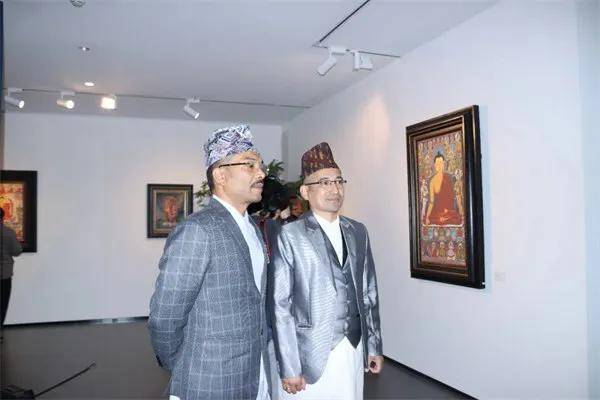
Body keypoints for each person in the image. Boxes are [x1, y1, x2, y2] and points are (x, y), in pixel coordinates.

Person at [148, 124, 273, 400]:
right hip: (208, 381)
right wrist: (182, 363)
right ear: (220, 175)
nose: (261, 173)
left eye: (261, 165)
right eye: (250, 165)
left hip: (255, 375)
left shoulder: (253, 228)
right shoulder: (198, 230)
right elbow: (165, 315)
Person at [271, 142, 383, 400]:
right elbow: (280, 306)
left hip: (353, 347)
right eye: (324, 182)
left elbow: (369, 293)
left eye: (339, 181)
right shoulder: (290, 235)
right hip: (310, 355)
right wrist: (289, 365)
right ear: (305, 191)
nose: (335, 189)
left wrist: (374, 346)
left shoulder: (358, 231)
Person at [424, 152, 463, 226]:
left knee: (455, 218)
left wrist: (461, 212)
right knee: (436, 219)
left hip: (449, 213)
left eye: (441, 163)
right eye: (437, 164)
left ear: (444, 164)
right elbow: (431, 202)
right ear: (434, 165)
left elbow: (457, 196)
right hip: (437, 213)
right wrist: (427, 217)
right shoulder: (432, 181)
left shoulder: (450, 178)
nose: (439, 166)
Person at [1, 207, 23, 328]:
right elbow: (17, 251)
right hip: (4, 275)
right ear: (2, 218)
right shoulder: (8, 232)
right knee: (2, 304)